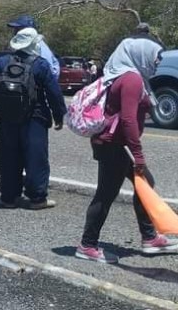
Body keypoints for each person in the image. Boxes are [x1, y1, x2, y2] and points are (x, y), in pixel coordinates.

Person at [75, 36, 178, 263]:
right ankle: (87, 245)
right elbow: (129, 120)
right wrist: (139, 155)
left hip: (113, 143)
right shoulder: (131, 79)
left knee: (145, 184)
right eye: (155, 58)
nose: (157, 63)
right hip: (113, 144)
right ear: (140, 55)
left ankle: (149, 238)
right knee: (106, 194)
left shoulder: (127, 75)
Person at [0, 28, 66, 209]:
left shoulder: (1, 63)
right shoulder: (40, 64)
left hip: (7, 118)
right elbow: (54, 93)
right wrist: (58, 115)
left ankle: (8, 198)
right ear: (34, 43)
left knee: (9, 157)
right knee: (36, 158)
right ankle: (37, 198)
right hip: (34, 117)